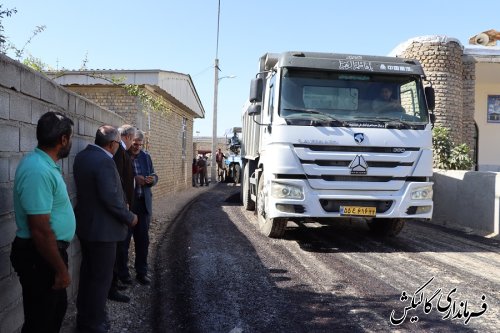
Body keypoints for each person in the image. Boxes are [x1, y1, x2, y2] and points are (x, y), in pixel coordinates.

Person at [10, 111, 75, 333]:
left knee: (53, 313)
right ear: (63, 139)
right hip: (40, 255)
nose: (70, 143)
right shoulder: (37, 170)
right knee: (41, 322)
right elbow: (40, 230)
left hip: (45, 254)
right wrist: (61, 270)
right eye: (70, 138)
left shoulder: (44, 164)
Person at [73, 125, 138, 333]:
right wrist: (129, 217)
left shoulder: (83, 157)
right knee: (101, 279)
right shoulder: (104, 161)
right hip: (103, 231)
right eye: (118, 143)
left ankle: (85, 319)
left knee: (88, 275)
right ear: (111, 144)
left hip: (86, 227)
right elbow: (110, 198)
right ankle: (94, 323)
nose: (119, 147)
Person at [121, 130, 158, 285]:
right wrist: (135, 180)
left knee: (142, 241)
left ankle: (141, 272)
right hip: (128, 205)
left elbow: (155, 175)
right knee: (123, 241)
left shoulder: (146, 157)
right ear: (130, 141)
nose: (137, 147)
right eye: (135, 144)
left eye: (140, 145)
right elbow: (120, 179)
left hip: (143, 205)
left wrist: (151, 180)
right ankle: (123, 274)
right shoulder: (123, 155)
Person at [108, 124, 137, 303]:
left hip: (124, 205)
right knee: (118, 249)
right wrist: (124, 203)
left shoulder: (123, 152)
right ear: (127, 137)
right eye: (133, 138)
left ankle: (116, 281)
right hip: (122, 207)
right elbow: (118, 180)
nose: (134, 142)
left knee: (121, 247)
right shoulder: (120, 153)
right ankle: (113, 285)